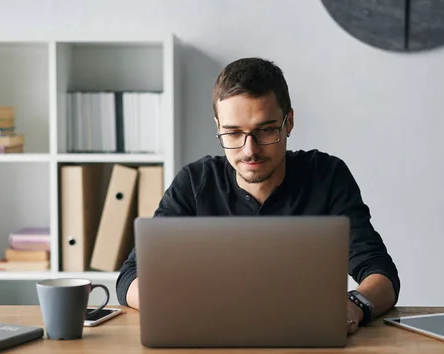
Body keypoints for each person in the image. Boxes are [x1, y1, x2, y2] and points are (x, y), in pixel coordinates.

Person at [116, 57, 400, 334]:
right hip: (209, 346)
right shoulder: (194, 182)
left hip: (309, 350)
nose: (249, 150)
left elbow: (380, 273)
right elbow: (131, 276)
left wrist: (354, 305)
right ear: (218, 127)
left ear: (288, 122)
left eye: (265, 131)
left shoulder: (326, 176)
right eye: (233, 133)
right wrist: (180, 306)